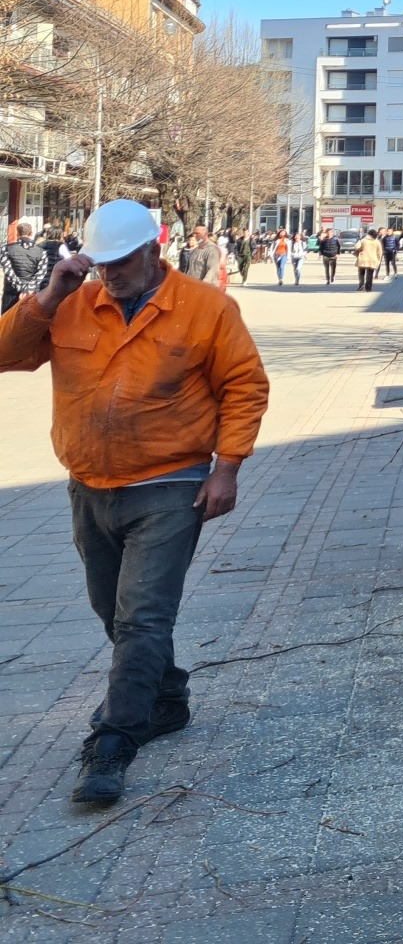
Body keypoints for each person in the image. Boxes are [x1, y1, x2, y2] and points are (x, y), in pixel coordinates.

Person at [0, 198, 269, 805]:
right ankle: (165, 695)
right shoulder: (71, 303)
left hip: (170, 482)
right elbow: (6, 354)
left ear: (154, 250)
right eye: (100, 263)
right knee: (110, 609)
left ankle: (115, 740)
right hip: (90, 481)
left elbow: (245, 386)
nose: (109, 274)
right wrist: (46, 297)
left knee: (142, 616)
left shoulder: (205, 309)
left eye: (120, 262)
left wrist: (227, 470)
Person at [3, 220, 50, 314]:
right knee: (28, 323)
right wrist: (29, 289)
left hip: (11, 292)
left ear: (17, 233)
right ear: (31, 233)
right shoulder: (41, 251)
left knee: (7, 323)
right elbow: (41, 272)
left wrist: (21, 288)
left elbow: (8, 270)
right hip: (32, 293)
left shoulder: (6, 248)